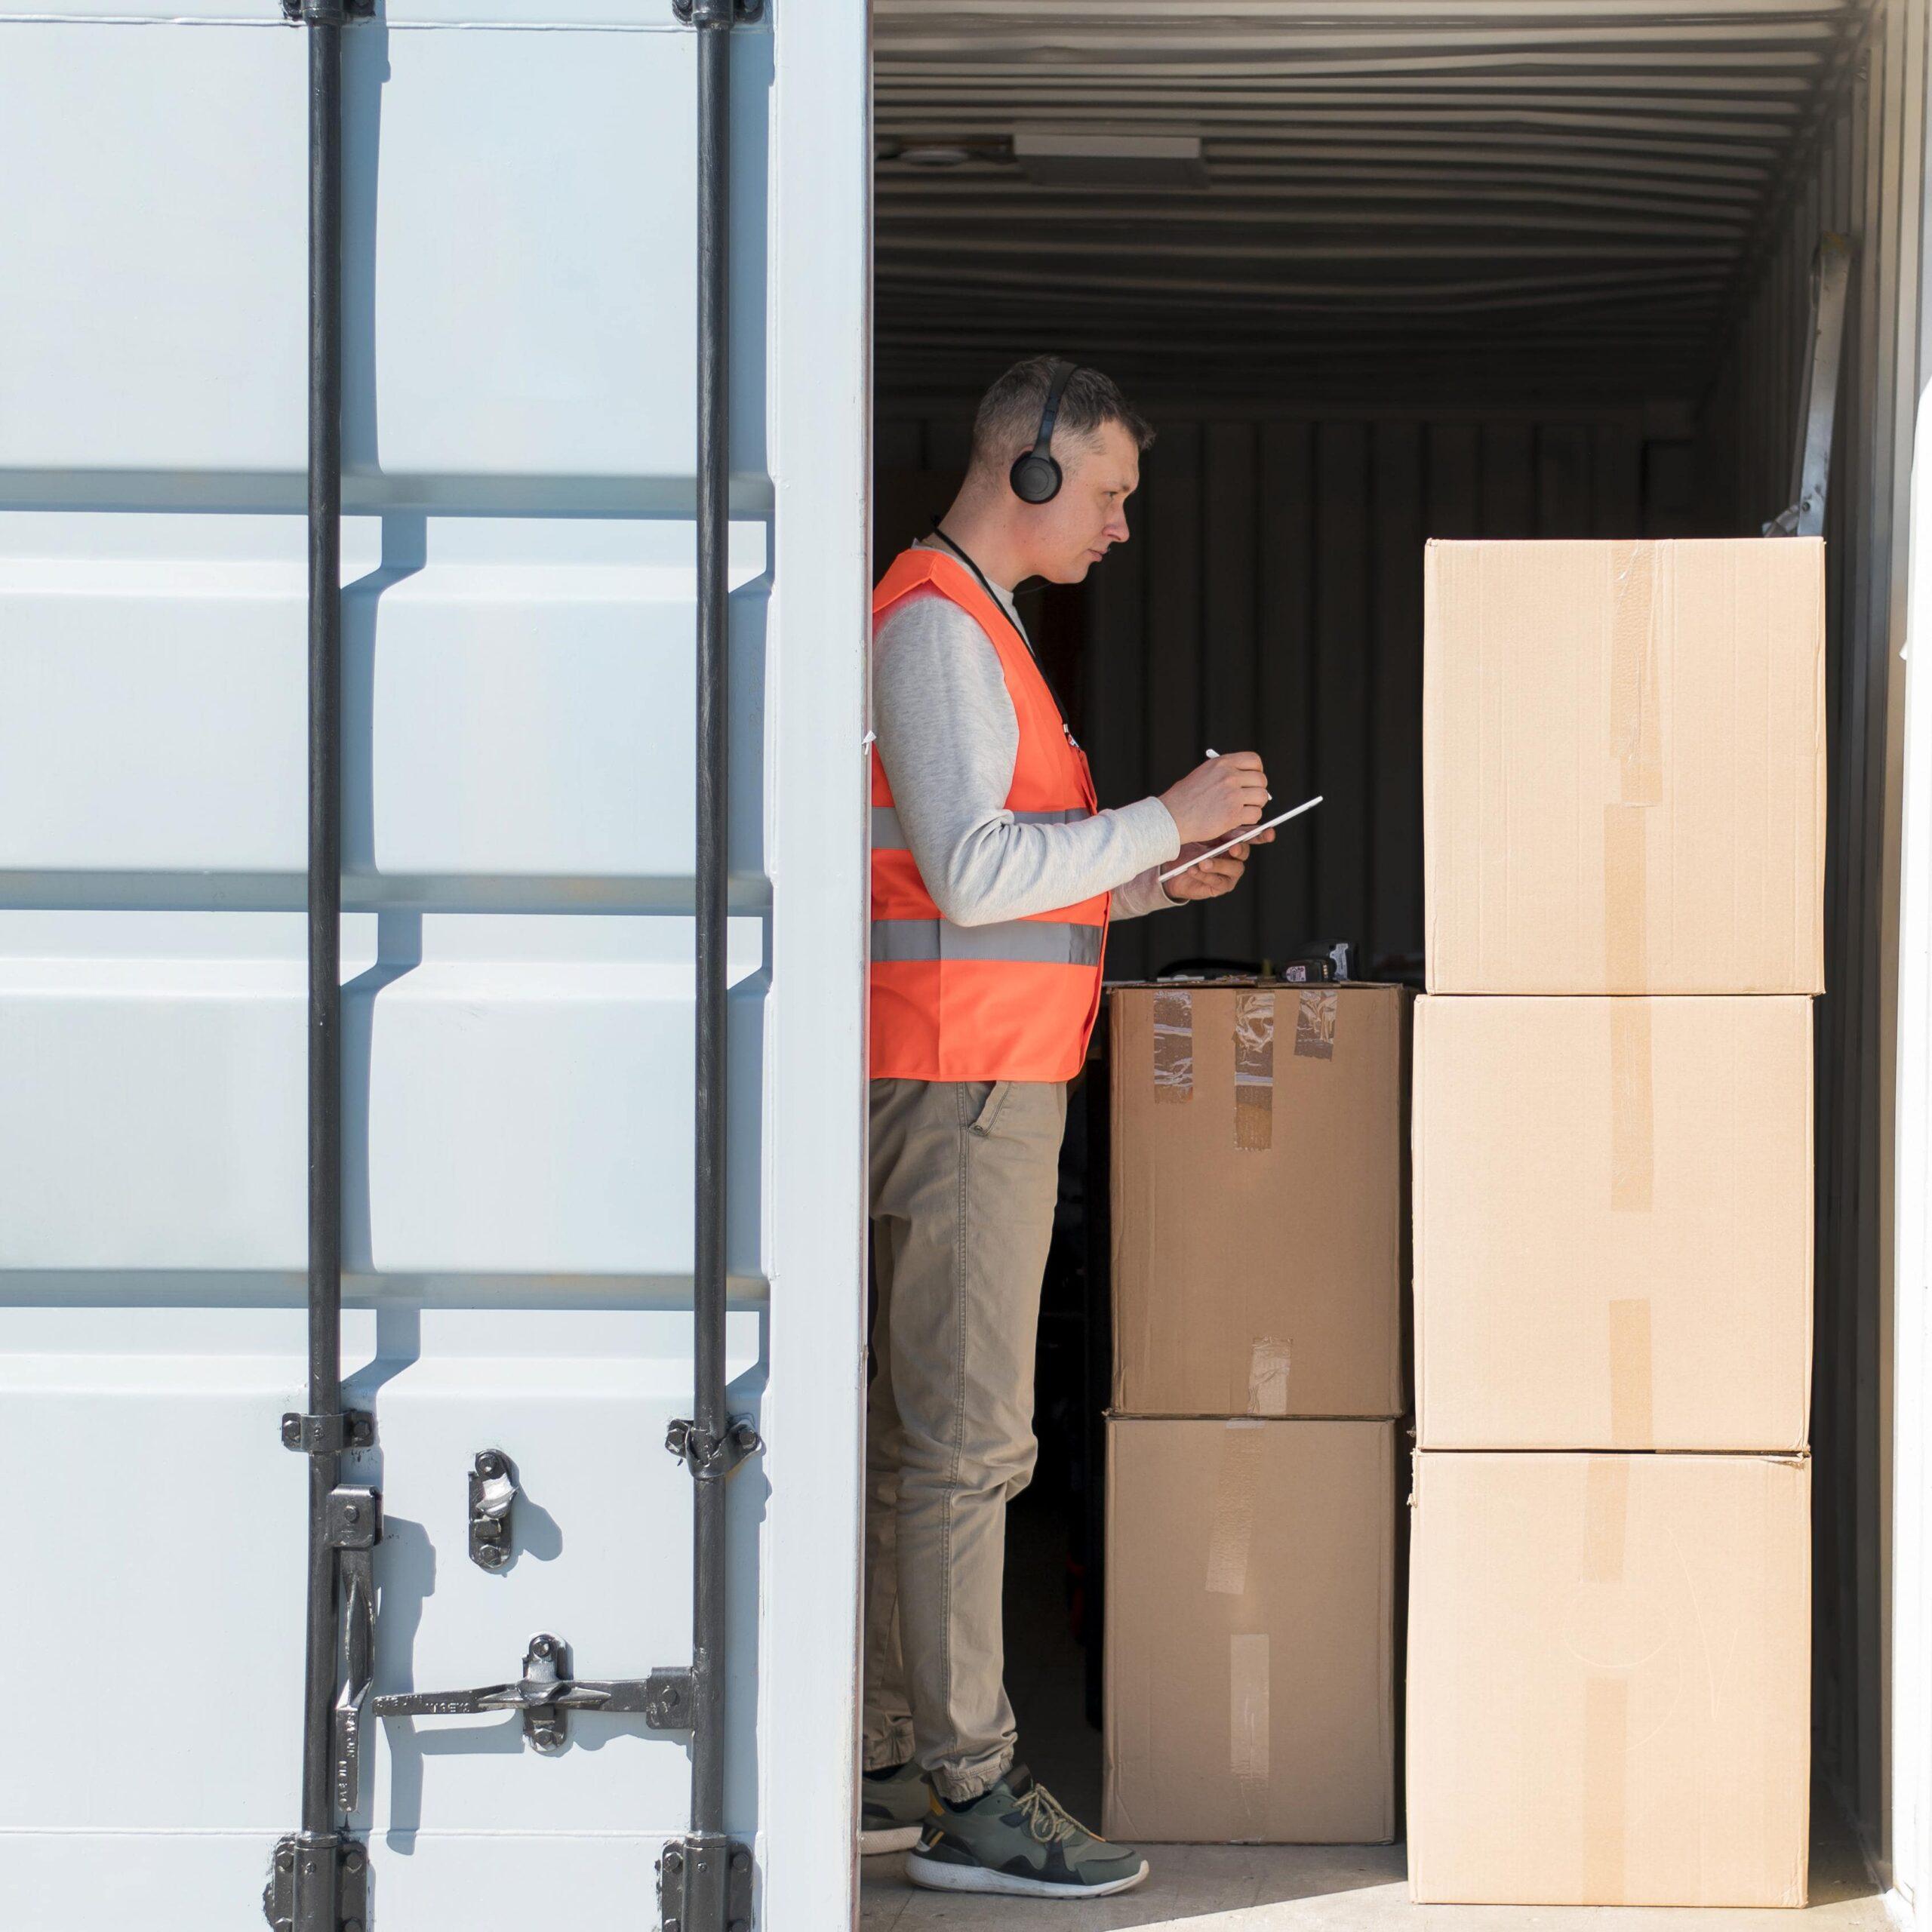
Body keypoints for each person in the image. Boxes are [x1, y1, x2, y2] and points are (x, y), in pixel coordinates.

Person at [860, 355, 1272, 1900]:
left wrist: (1150, 882)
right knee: (971, 1446)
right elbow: (969, 869)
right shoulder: (935, 626)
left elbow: (1005, 864)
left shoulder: (976, 627)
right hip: (962, 1089)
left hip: (973, 1075)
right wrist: (1161, 817)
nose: (1114, 525)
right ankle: (969, 1786)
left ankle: (901, 1749)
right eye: (1104, 492)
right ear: (1026, 470)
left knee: (929, 1443)